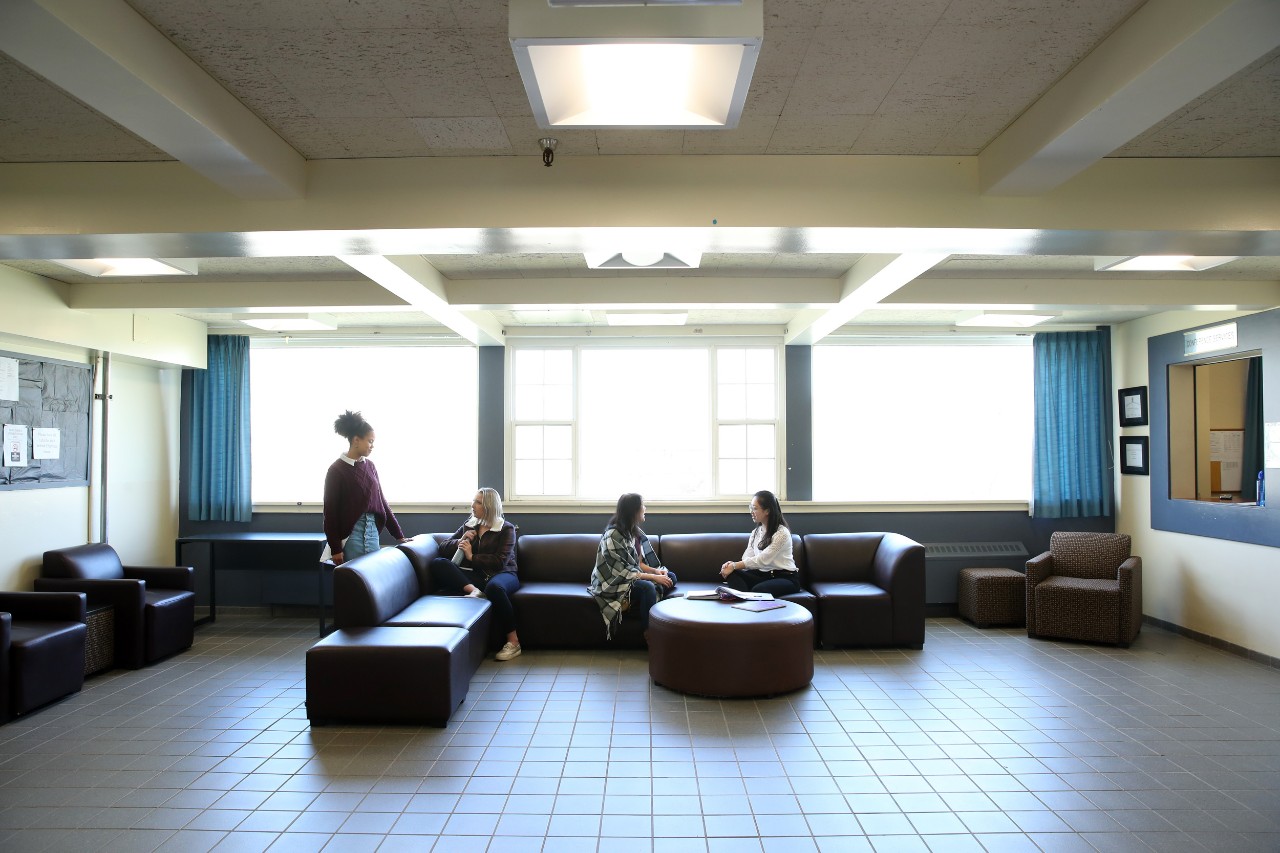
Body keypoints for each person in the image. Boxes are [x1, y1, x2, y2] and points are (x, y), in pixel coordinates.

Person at [429, 487, 523, 661]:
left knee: (495, 588)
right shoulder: (470, 524)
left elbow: (500, 561)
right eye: (473, 501)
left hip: (504, 574)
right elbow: (442, 548)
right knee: (438, 564)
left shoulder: (506, 529)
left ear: (488, 506)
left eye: (478, 502)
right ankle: (474, 590)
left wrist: (472, 557)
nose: (472, 505)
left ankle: (513, 642)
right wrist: (461, 539)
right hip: (476, 577)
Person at [323, 410, 408, 565]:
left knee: (372, 579)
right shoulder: (336, 470)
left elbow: (382, 502)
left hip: (372, 533)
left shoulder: (370, 466)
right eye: (370, 441)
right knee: (356, 583)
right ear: (356, 440)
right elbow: (330, 513)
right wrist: (336, 549)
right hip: (352, 535)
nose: (372, 446)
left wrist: (399, 535)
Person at [589, 493, 676, 640]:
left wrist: (656, 571)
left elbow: (638, 564)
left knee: (670, 576)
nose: (645, 508)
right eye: (642, 505)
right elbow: (622, 571)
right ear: (634, 510)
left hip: (631, 575)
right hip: (612, 581)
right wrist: (654, 577)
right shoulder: (613, 535)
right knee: (647, 587)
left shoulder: (634, 532)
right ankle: (649, 634)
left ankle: (633, 603)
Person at [719, 489, 800, 597]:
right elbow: (747, 557)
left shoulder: (782, 533)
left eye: (755, 508)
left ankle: (744, 599)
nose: (751, 512)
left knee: (759, 589)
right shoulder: (756, 532)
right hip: (762, 575)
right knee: (732, 573)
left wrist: (735, 565)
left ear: (767, 511)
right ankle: (744, 599)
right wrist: (730, 566)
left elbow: (763, 560)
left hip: (785, 577)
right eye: (751, 508)